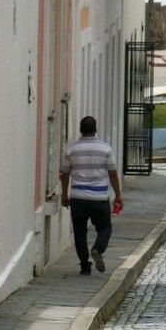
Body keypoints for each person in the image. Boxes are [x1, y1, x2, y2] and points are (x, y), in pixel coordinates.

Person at [60, 115, 124, 276]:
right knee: (105, 227)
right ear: (95, 129)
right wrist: (118, 195)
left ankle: (84, 265)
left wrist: (64, 195)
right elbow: (112, 174)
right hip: (99, 197)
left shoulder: (71, 150)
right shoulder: (105, 149)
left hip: (78, 197)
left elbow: (65, 174)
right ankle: (97, 249)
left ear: (80, 130)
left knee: (80, 232)